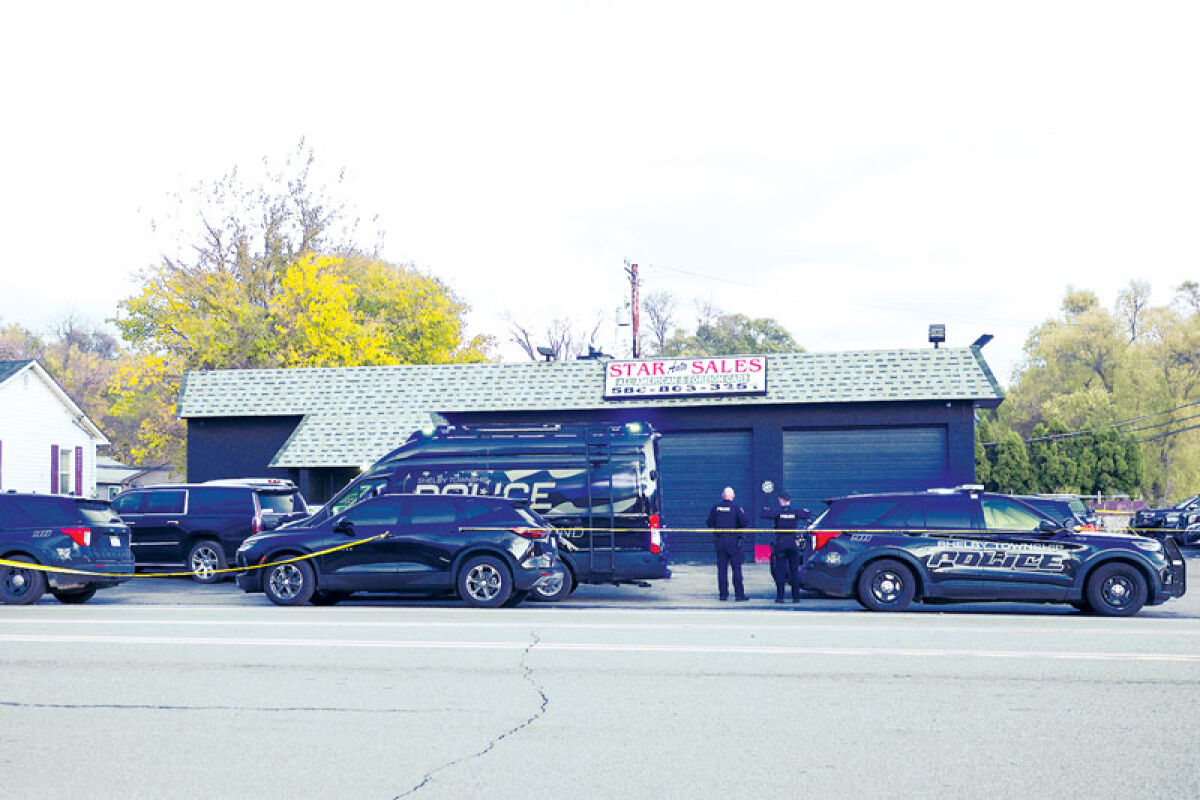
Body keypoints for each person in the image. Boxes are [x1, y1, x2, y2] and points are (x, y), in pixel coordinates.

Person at [761, 492, 809, 603]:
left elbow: (763, 514)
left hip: (781, 544)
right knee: (794, 572)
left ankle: (780, 597)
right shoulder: (795, 512)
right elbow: (807, 514)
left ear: (781, 500)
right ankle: (796, 598)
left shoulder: (777, 512)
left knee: (780, 572)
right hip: (793, 544)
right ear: (789, 500)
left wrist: (766, 508)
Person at [706, 486, 750, 601]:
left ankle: (723, 595)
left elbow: (709, 523)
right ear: (733, 496)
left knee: (722, 570)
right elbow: (745, 522)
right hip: (733, 542)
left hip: (720, 542)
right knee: (737, 569)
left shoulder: (716, 508)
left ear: (723, 496)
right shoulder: (736, 508)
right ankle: (739, 595)